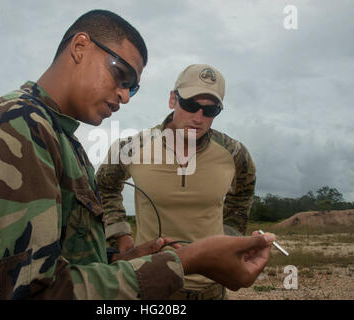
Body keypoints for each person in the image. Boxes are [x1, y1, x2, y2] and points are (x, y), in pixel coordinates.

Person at [0, 10, 274, 300]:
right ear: (80, 47)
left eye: (134, 86)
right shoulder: (13, 129)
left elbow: (63, 264)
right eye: (121, 73)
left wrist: (122, 259)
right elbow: (25, 293)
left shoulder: (59, 137)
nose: (125, 96)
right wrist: (187, 260)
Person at [96, 64, 256, 299]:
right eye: (191, 105)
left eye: (210, 110)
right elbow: (103, 186)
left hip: (211, 288)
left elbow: (243, 194)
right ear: (173, 100)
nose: (199, 118)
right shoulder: (132, 148)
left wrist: (230, 238)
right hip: (150, 284)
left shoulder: (234, 153)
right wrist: (120, 234)